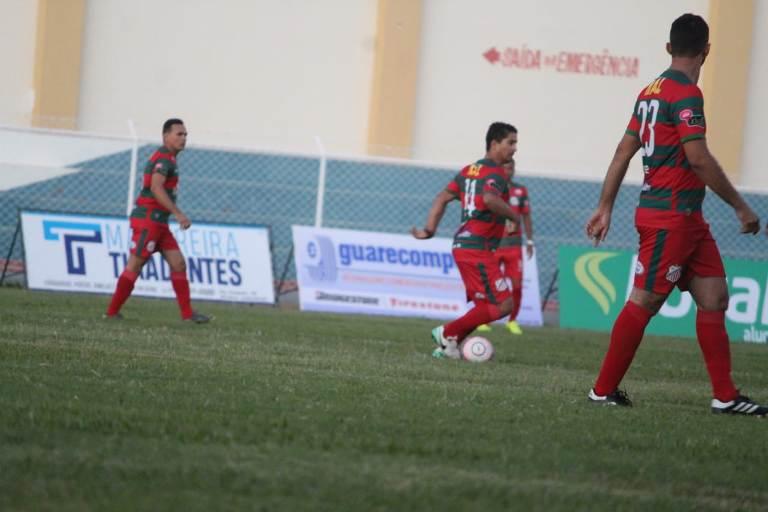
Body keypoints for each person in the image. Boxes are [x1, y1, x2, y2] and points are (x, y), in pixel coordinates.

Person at [585, 14, 766, 416]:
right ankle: (602, 390)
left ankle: (725, 396)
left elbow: (622, 152)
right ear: (707, 50)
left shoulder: (649, 91)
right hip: (669, 218)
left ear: (669, 48)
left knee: (715, 297)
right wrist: (740, 206)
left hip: (688, 220)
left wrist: (605, 205)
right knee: (644, 302)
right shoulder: (685, 93)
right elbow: (698, 159)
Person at [412, 122, 520, 359]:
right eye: (510, 143)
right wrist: (514, 217)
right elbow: (490, 199)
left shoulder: (468, 171)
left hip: (464, 246)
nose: (514, 149)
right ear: (494, 143)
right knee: (504, 305)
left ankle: (449, 347)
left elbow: (442, 197)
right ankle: (448, 332)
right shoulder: (496, 173)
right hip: (476, 248)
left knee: (485, 306)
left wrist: (430, 229)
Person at [105, 118, 209, 323]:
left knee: (178, 264)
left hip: (160, 223)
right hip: (148, 221)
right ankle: (111, 312)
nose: (183, 138)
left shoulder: (170, 159)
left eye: (185, 134)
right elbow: (156, 187)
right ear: (165, 136)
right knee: (135, 265)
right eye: (179, 134)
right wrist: (178, 213)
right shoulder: (164, 160)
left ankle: (188, 315)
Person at [477, 157, 534, 335]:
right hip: (494, 245)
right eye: (505, 168)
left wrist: (530, 240)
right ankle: (485, 319)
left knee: (516, 285)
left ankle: (512, 321)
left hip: (514, 247)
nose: (508, 171)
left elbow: (526, 216)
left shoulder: (520, 190)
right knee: (489, 284)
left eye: (511, 168)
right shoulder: (491, 190)